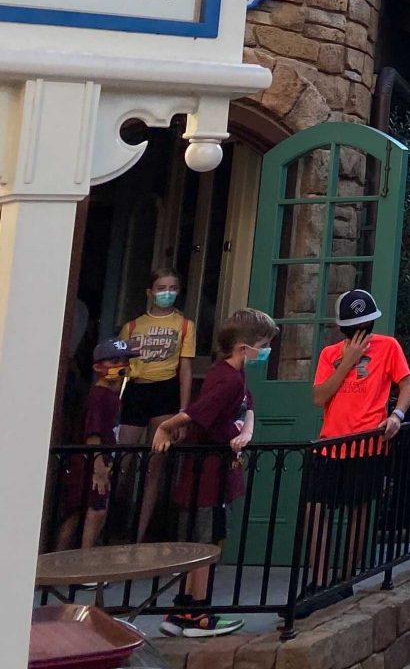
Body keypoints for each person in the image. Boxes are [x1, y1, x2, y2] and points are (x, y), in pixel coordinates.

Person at [152, 308, 277, 639]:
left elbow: (249, 407)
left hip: (219, 473)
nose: (265, 352)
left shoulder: (234, 376)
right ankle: (197, 612)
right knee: (205, 545)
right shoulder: (227, 379)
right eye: (263, 345)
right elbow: (197, 413)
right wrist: (166, 427)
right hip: (208, 477)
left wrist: (247, 432)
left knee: (205, 541)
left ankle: (182, 608)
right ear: (243, 348)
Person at [307, 289, 410, 587]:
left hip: (367, 443)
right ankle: (318, 581)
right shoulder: (330, 354)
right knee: (315, 509)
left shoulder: (388, 347)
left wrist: (397, 416)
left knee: (359, 510)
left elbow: (407, 385)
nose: (362, 334)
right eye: (356, 329)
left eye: (366, 328)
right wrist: (346, 361)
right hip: (330, 444)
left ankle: (345, 579)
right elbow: (319, 397)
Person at [119, 269, 194, 539]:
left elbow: (185, 369)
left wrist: (183, 411)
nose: (167, 293)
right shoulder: (132, 326)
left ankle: (139, 534)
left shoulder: (184, 325)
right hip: (137, 389)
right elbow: (120, 366)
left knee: (155, 464)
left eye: (173, 287)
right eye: (161, 287)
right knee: (123, 460)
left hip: (166, 390)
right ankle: (115, 522)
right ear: (150, 292)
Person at [53, 337, 137, 551]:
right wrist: (98, 468)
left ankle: (64, 564)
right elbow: (93, 433)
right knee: (93, 510)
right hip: (89, 463)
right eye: (114, 361)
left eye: (124, 361)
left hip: (98, 460)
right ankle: (82, 563)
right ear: (98, 367)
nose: (121, 366)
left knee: (82, 511)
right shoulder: (98, 396)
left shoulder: (112, 395)